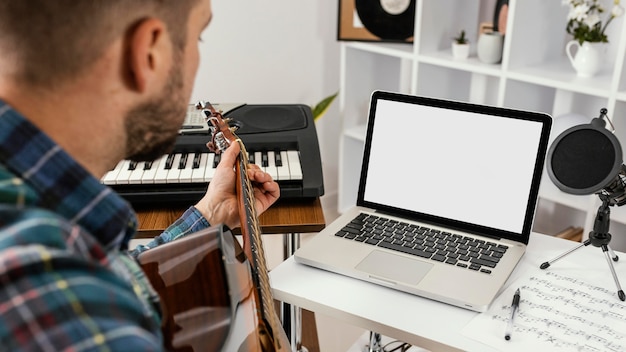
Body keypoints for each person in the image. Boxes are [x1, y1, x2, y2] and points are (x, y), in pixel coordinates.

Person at [0, 0, 280, 350]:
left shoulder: (45, 237)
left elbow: (115, 277)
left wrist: (207, 215)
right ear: (149, 52)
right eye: (199, 37)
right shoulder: (74, 319)